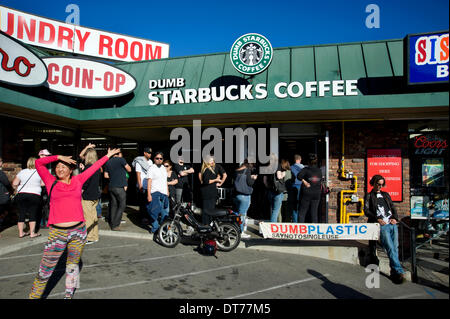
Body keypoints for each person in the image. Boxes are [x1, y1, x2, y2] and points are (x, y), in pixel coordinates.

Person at [29, 147, 120, 299]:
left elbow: (94, 168)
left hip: (78, 232)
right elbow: (39, 163)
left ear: (71, 170)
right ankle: (34, 296)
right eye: (58, 167)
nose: (60, 169)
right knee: (45, 270)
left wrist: (107, 156)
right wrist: (58, 156)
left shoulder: (78, 180)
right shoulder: (50, 181)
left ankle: (69, 295)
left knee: (72, 266)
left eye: (63, 166)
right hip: (57, 233)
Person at [364, 174, 406, 284]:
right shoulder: (369, 196)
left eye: (382, 185)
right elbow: (366, 211)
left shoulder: (386, 195)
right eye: (378, 184)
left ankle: (394, 272)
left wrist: (395, 218)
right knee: (390, 248)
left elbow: (392, 207)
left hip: (391, 224)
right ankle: (399, 271)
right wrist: (377, 218)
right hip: (382, 225)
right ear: (373, 183)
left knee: (395, 248)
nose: (380, 187)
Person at [12, 157, 44, 238]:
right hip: (34, 194)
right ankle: (32, 233)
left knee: (21, 213)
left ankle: (21, 233)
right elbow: (43, 184)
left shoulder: (22, 172)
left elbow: (15, 183)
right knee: (32, 213)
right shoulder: (40, 172)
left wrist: (19, 188)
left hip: (22, 194)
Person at [104, 149, 132, 231]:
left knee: (113, 205)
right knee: (122, 205)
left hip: (111, 186)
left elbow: (105, 175)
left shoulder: (108, 162)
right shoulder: (121, 160)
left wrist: (113, 176)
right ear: (119, 154)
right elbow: (129, 169)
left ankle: (112, 223)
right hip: (119, 186)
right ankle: (116, 224)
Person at [79, 146, 102, 244]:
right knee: (93, 217)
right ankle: (95, 236)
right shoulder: (97, 167)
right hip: (95, 195)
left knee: (87, 217)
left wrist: (80, 192)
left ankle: (89, 237)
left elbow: (85, 182)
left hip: (87, 196)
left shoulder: (88, 168)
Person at [198, 155, 227, 225]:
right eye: (211, 160)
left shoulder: (214, 167)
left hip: (209, 192)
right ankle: (208, 225)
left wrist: (219, 182)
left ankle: (207, 225)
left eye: (213, 160)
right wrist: (217, 181)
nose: (212, 161)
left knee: (208, 210)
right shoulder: (206, 169)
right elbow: (205, 180)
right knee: (208, 210)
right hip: (208, 192)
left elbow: (225, 175)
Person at [233, 159, 257, 238]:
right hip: (244, 195)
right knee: (242, 214)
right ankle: (241, 232)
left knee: (236, 214)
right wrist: (253, 178)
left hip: (236, 195)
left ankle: (234, 229)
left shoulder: (237, 170)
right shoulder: (247, 171)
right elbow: (249, 183)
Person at [146, 152, 169, 234]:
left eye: (161, 158)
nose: (159, 160)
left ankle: (163, 228)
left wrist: (167, 191)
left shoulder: (163, 167)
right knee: (154, 212)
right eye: (157, 158)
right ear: (154, 159)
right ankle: (155, 227)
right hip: (155, 193)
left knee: (165, 213)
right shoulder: (151, 168)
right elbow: (149, 181)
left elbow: (165, 181)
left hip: (164, 193)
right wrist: (148, 194)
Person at [297, 154, 322, 223]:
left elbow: (299, 176)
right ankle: (314, 230)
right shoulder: (319, 171)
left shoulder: (305, 170)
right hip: (317, 193)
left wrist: (304, 181)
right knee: (314, 213)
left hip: (307, 193)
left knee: (302, 212)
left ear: (308, 161)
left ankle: (301, 229)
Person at [263, 154, 285, 223]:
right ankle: (273, 227)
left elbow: (264, 180)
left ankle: (272, 225)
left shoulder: (267, 167)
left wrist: (268, 187)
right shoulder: (277, 165)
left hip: (270, 191)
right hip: (277, 192)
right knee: (275, 211)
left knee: (272, 209)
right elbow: (279, 176)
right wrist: (283, 173)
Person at [132, 147, 153, 217]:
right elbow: (138, 174)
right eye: (148, 153)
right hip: (142, 185)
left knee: (148, 202)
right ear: (144, 153)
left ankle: (147, 216)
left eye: (151, 153)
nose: (150, 154)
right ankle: (143, 217)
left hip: (149, 185)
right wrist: (140, 185)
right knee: (143, 203)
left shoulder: (151, 162)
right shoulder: (139, 162)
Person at [38, 149, 52, 229]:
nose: (47, 157)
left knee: (45, 206)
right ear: (41, 155)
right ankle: (43, 222)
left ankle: (44, 222)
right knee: (43, 207)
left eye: (48, 156)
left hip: (44, 188)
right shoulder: (39, 165)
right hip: (40, 188)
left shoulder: (44, 166)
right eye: (46, 156)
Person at [290, 154, 304, 223]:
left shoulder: (291, 167)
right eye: (300, 159)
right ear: (299, 159)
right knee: (301, 205)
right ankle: (301, 222)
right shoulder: (303, 167)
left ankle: (295, 222)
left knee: (294, 206)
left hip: (294, 186)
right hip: (302, 186)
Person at [0, 157, 13, 235]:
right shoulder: (1, 173)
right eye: (0, 161)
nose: (1, 163)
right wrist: (10, 191)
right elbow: (7, 183)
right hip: (1, 196)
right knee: (3, 211)